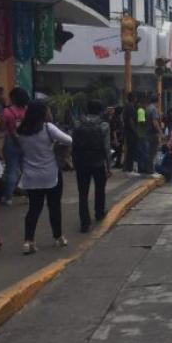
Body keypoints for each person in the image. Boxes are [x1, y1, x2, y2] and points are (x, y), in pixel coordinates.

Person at [17, 100, 72, 255]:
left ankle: (28, 241)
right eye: (48, 110)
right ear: (43, 113)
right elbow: (68, 140)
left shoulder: (21, 130)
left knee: (34, 208)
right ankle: (58, 237)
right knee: (54, 207)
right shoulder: (48, 128)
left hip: (31, 175)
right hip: (50, 173)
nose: (50, 113)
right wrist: (53, 144)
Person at [72, 100, 111, 233]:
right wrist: (109, 167)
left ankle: (84, 222)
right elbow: (106, 147)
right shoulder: (104, 125)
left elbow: (74, 144)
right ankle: (99, 212)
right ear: (100, 111)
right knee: (100, 188)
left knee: (83, 193)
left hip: (81, 162)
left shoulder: (77, 124)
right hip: (98, 162)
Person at [0, 87, 29, 205]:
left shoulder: (7, 112)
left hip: (10, 142)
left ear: (13, 97)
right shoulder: (27, 111)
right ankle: (29, 195)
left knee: (11, 169)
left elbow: (1, 127)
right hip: (25, 142)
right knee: (26, 170)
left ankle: (8, 198)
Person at [122, 93, 138, 173]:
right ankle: (129, 168)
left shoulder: (126, 106)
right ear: (134, 98)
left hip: (127, 131)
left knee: (129, 150)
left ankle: (127, 167)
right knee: (131, 150)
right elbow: (131, 120)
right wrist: (134, 131)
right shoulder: (130, 107)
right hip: (130, 132)